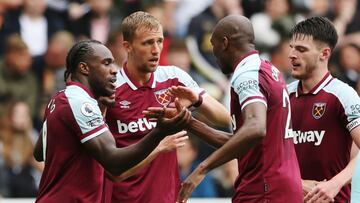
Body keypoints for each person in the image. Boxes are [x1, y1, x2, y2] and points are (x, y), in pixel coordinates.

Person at [33, 39, 191, 203]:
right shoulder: (79, 102)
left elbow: (39, 153)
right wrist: (159, 132)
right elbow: (114, 163)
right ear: (84, 68)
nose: (114, 71)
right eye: (106, 63)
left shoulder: (60, 98)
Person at [103, 11, 231, 203]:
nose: (156, 50)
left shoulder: (173, 77)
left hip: (167, 198)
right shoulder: (110, 89)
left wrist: (196, 99)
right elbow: (110, 168)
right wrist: (159, 147)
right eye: (147, 43)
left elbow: (224, 117)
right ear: (127, 47)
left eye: (160, 41)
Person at [173, 14, 302, 203]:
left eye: (213, 44)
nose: (213, 52)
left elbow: (256, 127)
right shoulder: (268, 69)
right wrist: (189, 122)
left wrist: (202, 168)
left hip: (263, 188)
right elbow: (244, 142)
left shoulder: (247, 75)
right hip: (280, 186)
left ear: (225, 42)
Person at [287, 16, 360, 202]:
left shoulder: (343, 95)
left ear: (324, 54)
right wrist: (297, 182)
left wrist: (334, 184)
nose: (292, 55)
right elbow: (265, 155)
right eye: (292, 48)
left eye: (301, 49)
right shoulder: (282, 97)